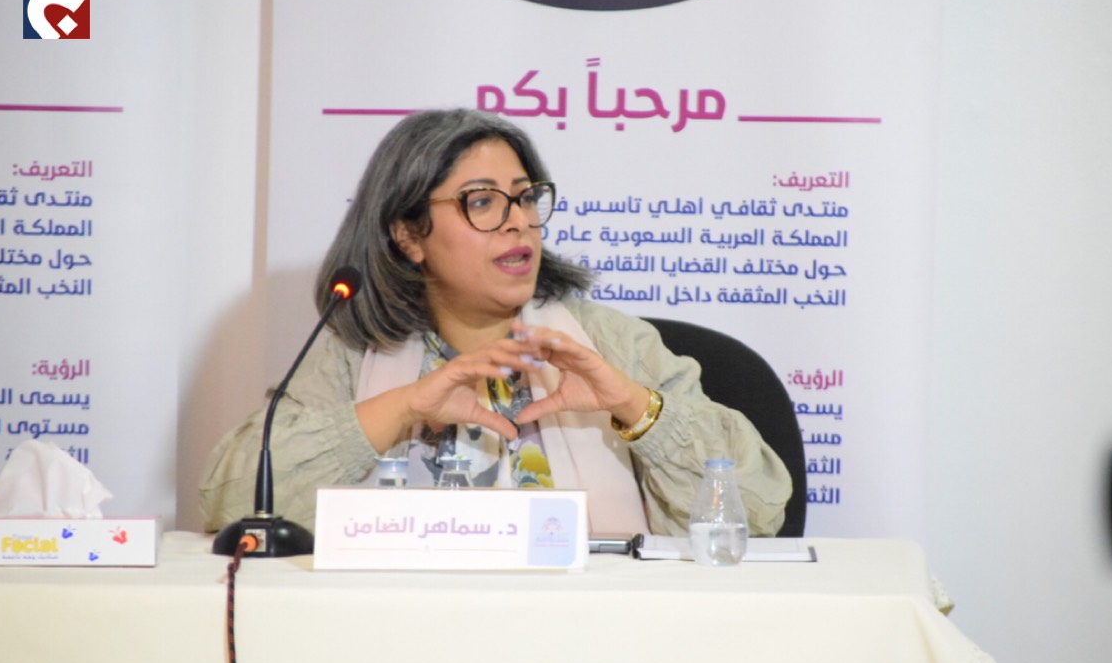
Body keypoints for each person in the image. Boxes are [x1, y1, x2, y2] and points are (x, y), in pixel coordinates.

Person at [199, 108, 791, 536]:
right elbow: (233, 506)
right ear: (408, 236)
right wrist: (402, 407)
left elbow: (758, 512)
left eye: (526, 197)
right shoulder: (354, 354)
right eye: (481, 201)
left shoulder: (611, 342)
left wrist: (634, 406)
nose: (518, 222)